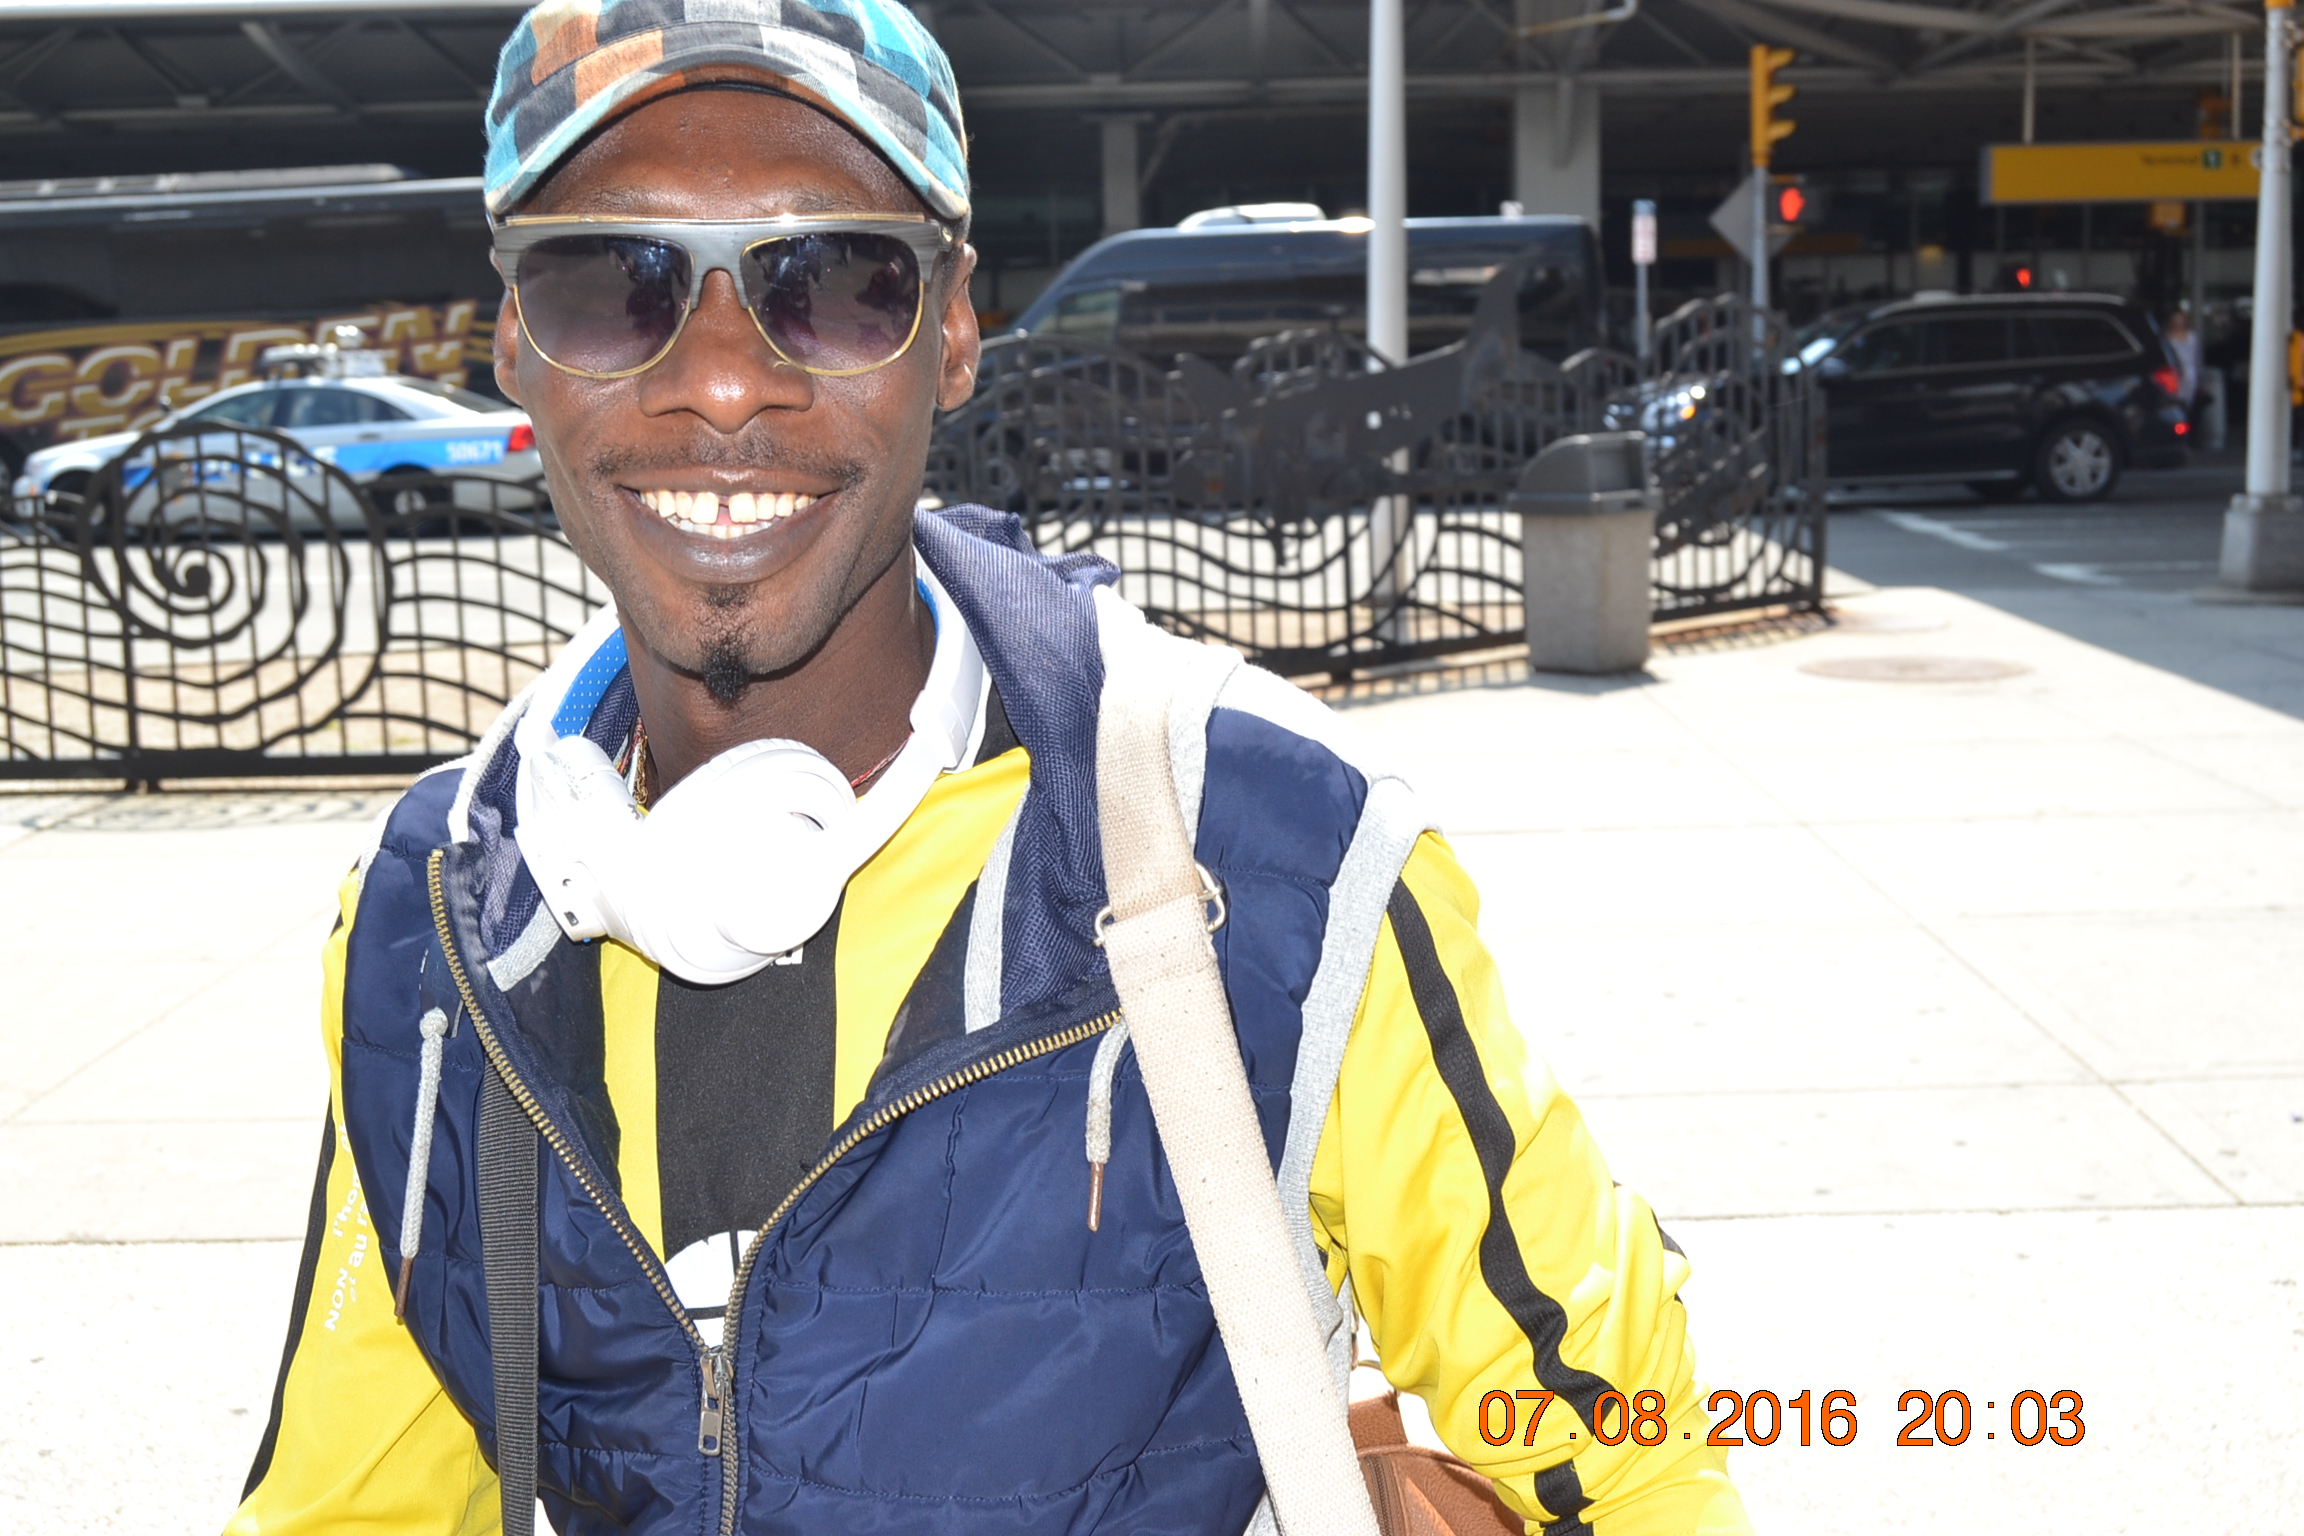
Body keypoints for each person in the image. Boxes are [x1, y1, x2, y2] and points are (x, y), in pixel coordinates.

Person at [226, 4, 1749, 1533]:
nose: (725, 380)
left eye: (828, 283)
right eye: (609, 283)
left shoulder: (1270, 865)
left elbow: (1630, 1459)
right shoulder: (436, 929)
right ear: (513, 346)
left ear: (951, 333)